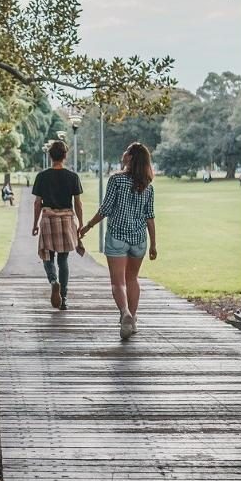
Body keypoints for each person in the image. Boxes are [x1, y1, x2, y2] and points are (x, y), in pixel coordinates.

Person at [80, 142, 157, 340]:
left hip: (117, 237)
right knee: (132, 279)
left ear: (130, 157)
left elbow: (105, 209)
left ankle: (125, 314)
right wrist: (154, 244)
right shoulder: (148, 185)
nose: (123, 153)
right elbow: (150, 216)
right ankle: (133, 321)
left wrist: (88, 226)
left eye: (126, 151)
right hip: (139, 239)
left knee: (118, 282)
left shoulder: (116, 180)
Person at [31, 140, 84, 310]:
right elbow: (78, 203)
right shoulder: (73, 177)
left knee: (47, 256)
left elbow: (37, 203)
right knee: (63, 259)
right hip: (66, 219)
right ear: (65, 156)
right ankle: (64, 297)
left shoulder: (42, 176)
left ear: (50, 156)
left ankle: (53, 281)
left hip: (48, 219)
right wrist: (80, 224)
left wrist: (35, 223)